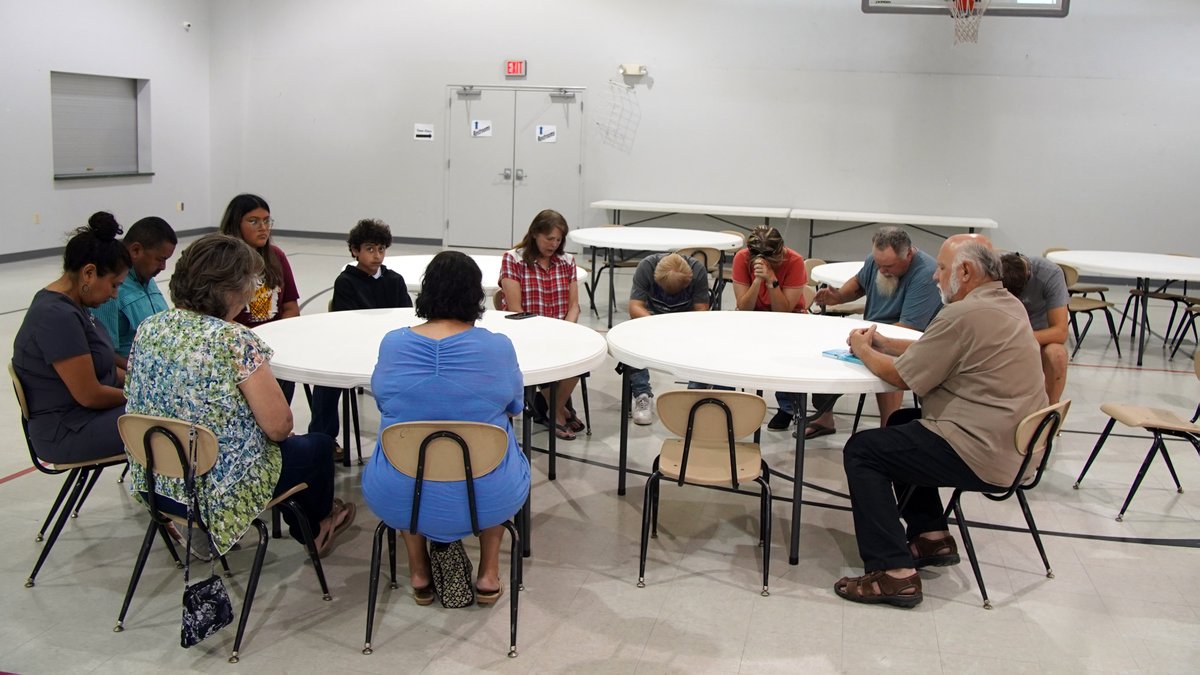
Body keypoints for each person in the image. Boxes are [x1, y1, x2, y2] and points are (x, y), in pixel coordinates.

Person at [833, 234, 1047, 608]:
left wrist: (864, 348)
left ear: (965, 272)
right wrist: (884, 341)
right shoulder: (1006, 305)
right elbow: (938, 349)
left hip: (982, 451)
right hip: (1014, 445)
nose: (936, 277)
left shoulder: (962, 313)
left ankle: (893, 573)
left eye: (943, 269)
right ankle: (931, 535)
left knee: (864, 451)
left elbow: (901, 376)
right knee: (901, 422)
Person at [124, 234, 354, 557]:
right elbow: (279, 427)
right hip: (215, 487)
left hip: (158, 478)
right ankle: (317, 528)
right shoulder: (234, 340)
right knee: (316, 447)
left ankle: (193, 527)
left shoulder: (150, 328)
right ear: (232, 288)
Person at [363, 251, 530, 607]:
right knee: (498, 450)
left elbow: (383, 402)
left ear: (426, 293)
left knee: (405, 445)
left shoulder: (393, 343)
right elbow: (516, 406)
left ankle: (419, 570)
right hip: (486, 497)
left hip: (400, 497)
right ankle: (488, 573)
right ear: (476, 296)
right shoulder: (498, 347)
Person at [13, 212, 130, 464]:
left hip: (85, 417)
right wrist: (142, 395)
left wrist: (139, 380)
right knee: (169, 420)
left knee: (171, 412)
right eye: (114, 285)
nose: (114, 295)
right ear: (89, 273)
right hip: (68, 430)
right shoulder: (56, 316)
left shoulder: (74, 305)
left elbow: (104, 367)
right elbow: (90, 395)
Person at [805, 227, 941, 439]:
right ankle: (825, 415)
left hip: (905, 339)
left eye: (888, 266)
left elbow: (910, 329)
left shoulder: (925, 274)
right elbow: (859, 284)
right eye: (878, 264)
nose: (882, 270)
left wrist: (867, 341)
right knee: (824, 349)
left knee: (888, 356)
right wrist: (838, 297)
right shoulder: (876, 261)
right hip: (871, 330)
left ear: (909, 255)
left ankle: (887, 427)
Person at [309, 219, 412, 447]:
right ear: (355, 250)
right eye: (370, 249)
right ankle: (323, 439)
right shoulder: (346, 282)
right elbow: (344, 321)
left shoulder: (395, 280)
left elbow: (407, 316)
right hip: (352, 346)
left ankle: (408, 433)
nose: (377, 255)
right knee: (326, 381)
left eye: (381, 249)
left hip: (390, 347)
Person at [499, 209, 583, 440]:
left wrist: (566, 329)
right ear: (535, 234)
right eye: (549, 238)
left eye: (558, 239)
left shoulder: (567, 261)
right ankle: (557, 411)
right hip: (525, 332)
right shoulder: (513, 259)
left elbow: (574, 305)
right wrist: (543, 334)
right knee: (548, 356)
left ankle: (552, 407)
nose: (554, 244)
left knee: (582, 357)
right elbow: (515, 308)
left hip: (560, 331)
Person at [218, 193, 300, 401]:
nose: (263, 227)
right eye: (253, 221)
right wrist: (251, 341)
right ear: (236, 225)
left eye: (266, 221)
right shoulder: (224, 263)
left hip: (275, 347)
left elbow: (291, 307)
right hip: (240, 350)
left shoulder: (277, 257)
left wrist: (278, 336)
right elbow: (219, 317)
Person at [731, 225, 809, 430]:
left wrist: (772, 280)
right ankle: (727, 400)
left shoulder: (794, 261)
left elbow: (783, 312)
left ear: (781, 251)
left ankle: (789, 407)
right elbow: (744, 307)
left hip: (789, 319)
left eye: (771, 259)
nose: (764, 263)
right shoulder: (742, 258)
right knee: (724, 348)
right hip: (753, 317)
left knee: (789, 354)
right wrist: (757, 280)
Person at [626, 252, 711, 425]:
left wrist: (679, 329)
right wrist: (658, 326)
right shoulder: (646, 267)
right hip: (651, 318)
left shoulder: (697, 271)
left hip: (685, 321)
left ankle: (694, 397)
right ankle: (642, 395)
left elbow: (702, 309)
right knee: (631, 341)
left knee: (707, 344)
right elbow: (635, 307)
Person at [91, 216, 178, 367]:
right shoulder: (109, 291)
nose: (164, 267)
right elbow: (104, 352)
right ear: (135, 250)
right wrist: (139, 374)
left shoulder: (146, 276)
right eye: (160, 259)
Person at [1000, 252, 1070, 404]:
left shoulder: (1050, 274)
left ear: (1028, 276)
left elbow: (1061, 331)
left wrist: (1022, 338)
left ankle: (1049, 412)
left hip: (1037, 335)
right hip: (1004, 332)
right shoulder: (994, 271)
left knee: (1057, 355)